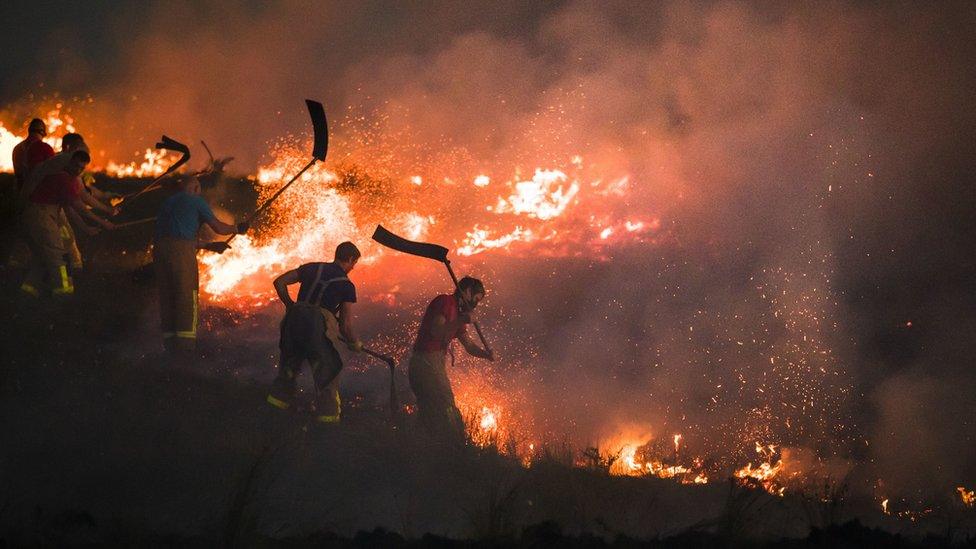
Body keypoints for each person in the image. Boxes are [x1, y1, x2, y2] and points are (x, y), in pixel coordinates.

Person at [266, 241, 364, 423]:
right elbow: (345, 326)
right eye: (353, 264)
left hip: (293, 321)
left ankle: (274, 414)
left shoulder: (312, 268)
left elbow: (279, 282)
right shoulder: (346, 285)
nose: (352, 268)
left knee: (288, 369)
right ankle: (327, 423)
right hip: (318, 327)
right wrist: (354, 343)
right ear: (350, 259)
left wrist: (290, 304)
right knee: (328, 374)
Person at [153, 175, 247, 352]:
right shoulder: (196, 201)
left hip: (160, 252)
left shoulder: (168, 202)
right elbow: (219, 228)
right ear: (195, 188)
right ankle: (185, 349)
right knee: (186, 297)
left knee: (168, 296)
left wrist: (209, 246)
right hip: (181, 254)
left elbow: (175, 235)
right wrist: (237, 229)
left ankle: (169, 347)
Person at [409, 276, 494, 445]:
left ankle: (424, 446)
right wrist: (461, 320)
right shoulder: (445, 302)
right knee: (446, 402)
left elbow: (469, 345)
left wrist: (485, 354)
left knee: (430, 409)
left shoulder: (458, 314)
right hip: (425, 363)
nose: (475, 305)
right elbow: (436, 331)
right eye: (476, 299)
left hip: (432, 363)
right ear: (467, 291)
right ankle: (455, 443)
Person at [20, 150, 114, 297]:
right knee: (58, 256)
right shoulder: (63, 178)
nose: (78, 170)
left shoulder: (66, 178)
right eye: (76, 166)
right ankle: (63, 292)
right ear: (69, 162)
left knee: (43, 256)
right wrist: (104, 222)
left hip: (40, 215)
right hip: (42, 217)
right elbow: (80, 207)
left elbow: (70, 209)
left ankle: (28, 291)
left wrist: (87, 227)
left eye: (81, 168)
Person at [11, 118, 55, 191]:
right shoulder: (45, 148)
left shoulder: (17, 148)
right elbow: (54, 170)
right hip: (38, 193)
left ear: (29, 130)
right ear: (43, 132)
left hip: (20, 191)